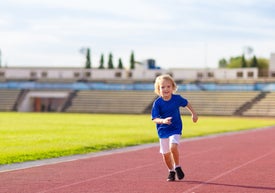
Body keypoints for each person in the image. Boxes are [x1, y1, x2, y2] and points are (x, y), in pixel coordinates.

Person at [151, 74, 198, 181]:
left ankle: (177, 166)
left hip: (175, 128)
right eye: (162, 87)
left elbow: (186, 103)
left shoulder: (177, 99)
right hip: (163, 130)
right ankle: (171, 171)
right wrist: (163, 121)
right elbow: (154, 119)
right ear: (158, 89)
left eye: (168, 86)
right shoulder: (157, 103)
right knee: (165, 154)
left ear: (173, 87)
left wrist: (193, 114)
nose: (166, 89)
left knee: (173, 147)